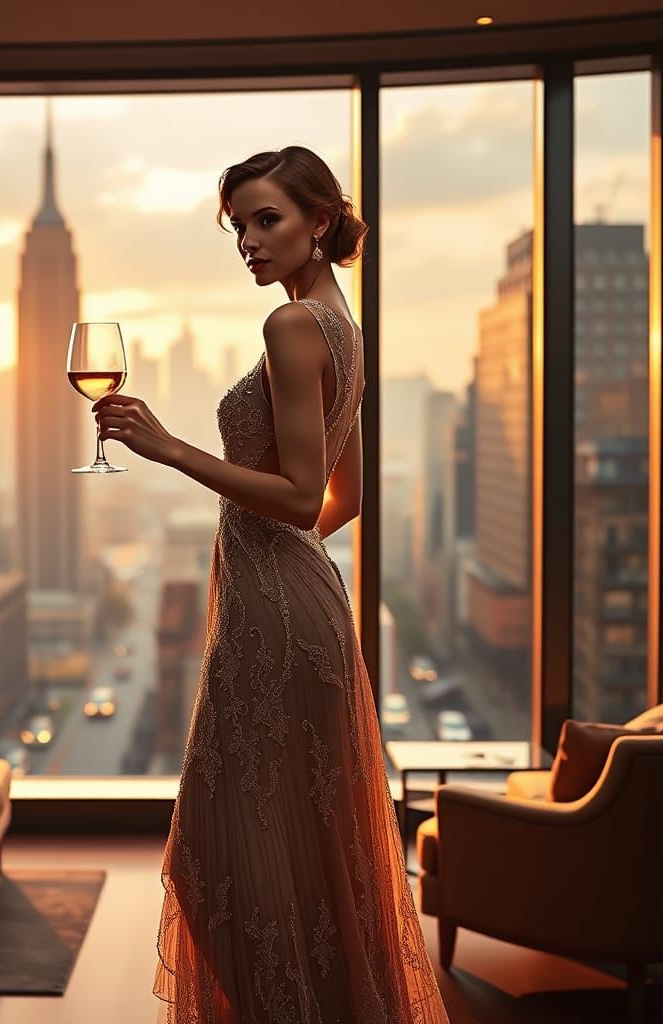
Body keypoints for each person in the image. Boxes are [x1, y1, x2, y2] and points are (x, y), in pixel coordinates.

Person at [92, 145, 449, 1023]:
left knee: (219, 857)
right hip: (301, 603)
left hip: (273, 620)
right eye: (238, 227)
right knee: (302, 856)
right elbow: (344, 498)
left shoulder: (291, 325)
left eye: (267, 220)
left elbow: (298, 495)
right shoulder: (343, 326)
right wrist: (277, 560)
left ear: (319, 221)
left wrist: (170, 449)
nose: (249, 241)